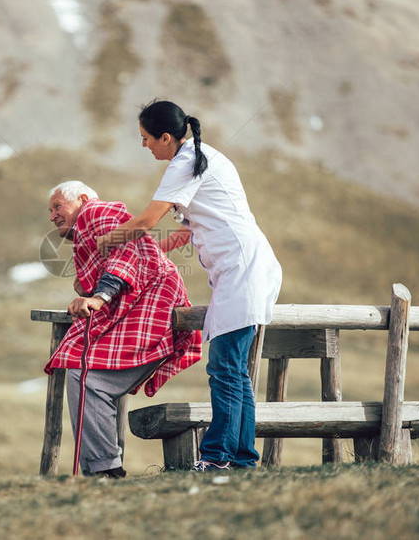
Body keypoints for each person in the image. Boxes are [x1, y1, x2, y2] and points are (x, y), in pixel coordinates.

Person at [97, 100, 282, 471]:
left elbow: (148, 219)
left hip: (241, 269)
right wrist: (159, 252)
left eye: (146, 139)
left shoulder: (184, 162)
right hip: (248, 266)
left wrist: (107, 241)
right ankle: (242, 459)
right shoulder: (201, 156)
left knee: (224, 368)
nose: (145, 146)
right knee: (234, 370)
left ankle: (216, 458)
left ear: (166, 137)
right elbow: (189, 228)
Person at [44, 180, 202, 478]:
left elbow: (125, 254)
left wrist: (99, 295)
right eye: (50, 210)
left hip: (152, 303)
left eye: (57, 207)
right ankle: (101, 470)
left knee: (88, 376)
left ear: (80, 199)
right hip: (145, 304)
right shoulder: (88, 234)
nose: (52, 216)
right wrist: (87, 287)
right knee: (82, 370)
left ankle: (105, 470)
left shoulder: (95, 212)